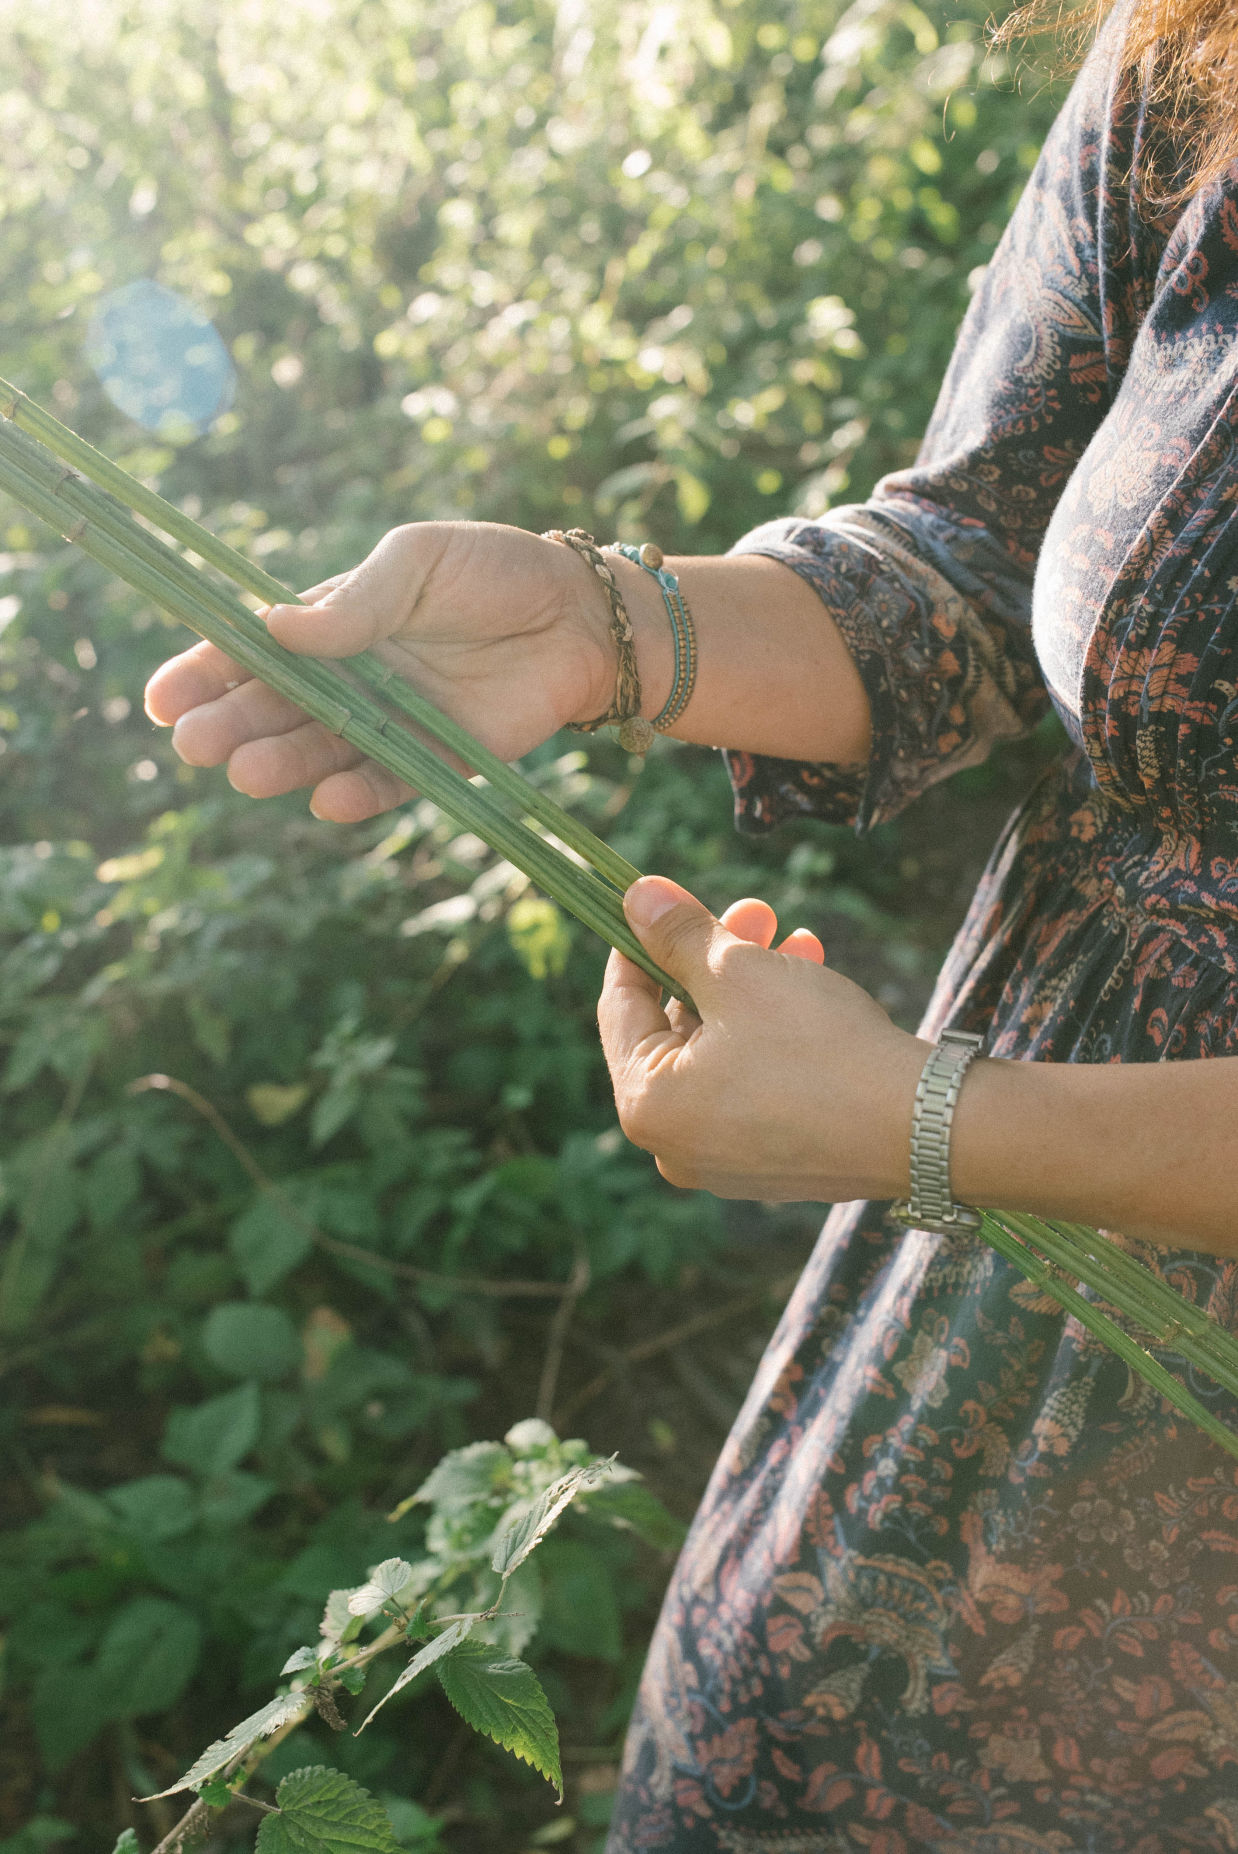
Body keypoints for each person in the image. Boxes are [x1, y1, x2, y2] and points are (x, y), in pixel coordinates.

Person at [146, 0, 1238, 1842]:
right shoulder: (1195, 58)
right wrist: (605, 625)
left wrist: (934, 1123)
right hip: (982, 1335)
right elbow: (987, 552)